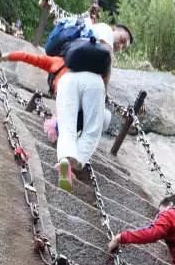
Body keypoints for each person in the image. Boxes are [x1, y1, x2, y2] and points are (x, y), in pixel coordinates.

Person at [54, 23, 132, 190]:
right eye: (123, 39)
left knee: (67, 127)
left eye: (125, 46)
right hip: (93, 82)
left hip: (69, 77)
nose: (121, 45)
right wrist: (104, 88)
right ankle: (76, 163)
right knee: (92, 130)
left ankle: (65, 164)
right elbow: (108, 57)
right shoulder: (105, 30)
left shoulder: (87, 29)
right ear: (115, 28)